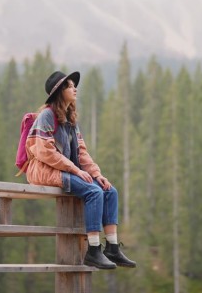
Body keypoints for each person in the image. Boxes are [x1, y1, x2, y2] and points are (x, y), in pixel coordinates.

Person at [24, 70, 136, 269]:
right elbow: (45, 152)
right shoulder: (47, 116)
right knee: (93, 191)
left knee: (109, 190)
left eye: (74, 85)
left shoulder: (69, 119)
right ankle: (93, 250)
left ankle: (112, 248)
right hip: (43, 170)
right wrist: (75, 171)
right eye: (68, 86)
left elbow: (81, 152)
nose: (74, 88)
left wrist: (97, 174)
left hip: (64, 169)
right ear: (59, 92)